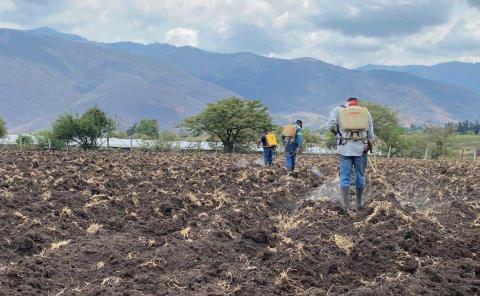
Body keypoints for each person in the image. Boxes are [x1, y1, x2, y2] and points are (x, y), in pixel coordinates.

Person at [326, 98, 374, 210]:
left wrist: (338, 133)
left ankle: (345, 205)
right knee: (360, 175)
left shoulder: (338, 110)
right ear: (357, 104)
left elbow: (329, 126)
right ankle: (358, 204)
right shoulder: (365, 112)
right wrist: (369, 145)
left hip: (344, 148)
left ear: (347, 104)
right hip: (361, 149)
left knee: (344, 177)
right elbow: (370, 133)